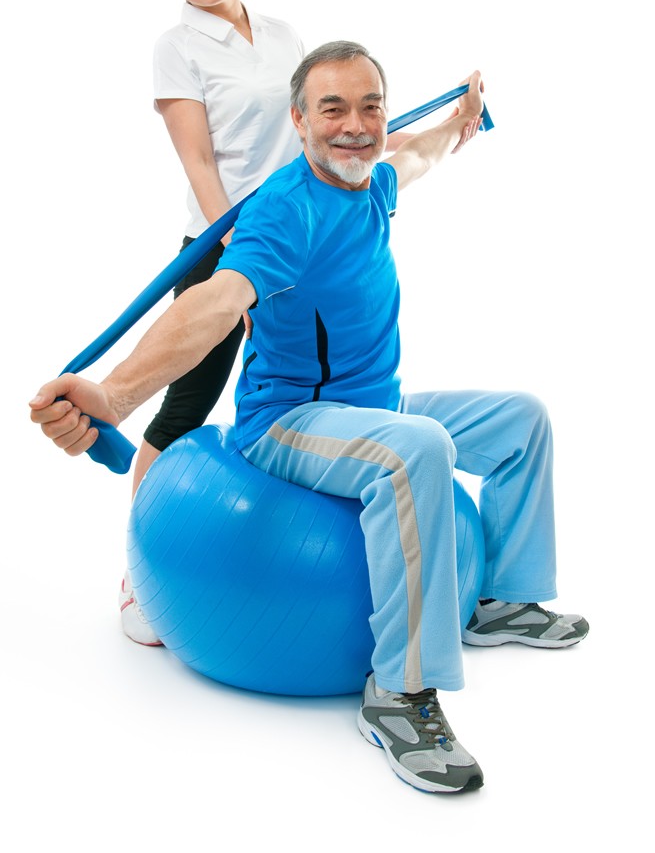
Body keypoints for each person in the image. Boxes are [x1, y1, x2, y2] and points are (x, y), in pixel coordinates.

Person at [30, 41, 588, 795]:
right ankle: (399, 697)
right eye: (333, 109)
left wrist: (461, 121)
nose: (354, 125)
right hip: (290, 422)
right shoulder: (285, 210)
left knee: (522, 420)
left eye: (369, 107)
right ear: (299, 121)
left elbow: (415, 157)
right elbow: (217, 302)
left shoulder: (372, 184)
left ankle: (500, 599)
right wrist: (118, 394)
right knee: (417, 450)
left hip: (373, 410)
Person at [121, 0, 305, 645]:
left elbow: (313, 138)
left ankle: (285, 563)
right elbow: (199, 160)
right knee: (186, 407)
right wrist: (234, 252)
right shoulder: (179, 48)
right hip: (222, 253)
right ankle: (137, 577)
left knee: (295, 404)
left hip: (294, 253)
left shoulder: (284, 35)